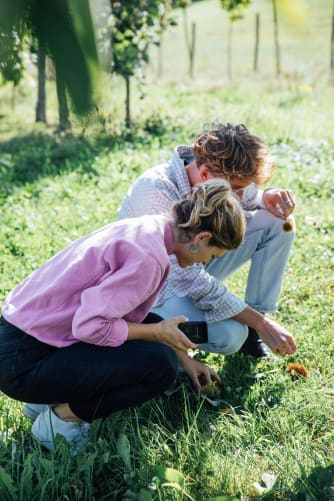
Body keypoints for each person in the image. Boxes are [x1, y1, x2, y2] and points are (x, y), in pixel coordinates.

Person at [0, 179, 248, 453]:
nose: (207, 262)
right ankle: (59, 421)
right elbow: (90, 326)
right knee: (160, 367)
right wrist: (157, 335)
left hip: (21, 340)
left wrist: (184, 359)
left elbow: (123, 317)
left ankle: (45, 400)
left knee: (154, 329)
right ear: (201, 239)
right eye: (213, 254)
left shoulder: (149, 228)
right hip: (22, 365)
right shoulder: (148, 257)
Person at [118, 122, 297, 359]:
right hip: (157, 290)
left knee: (279, 222)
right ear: (204, 174)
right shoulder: (157, 193)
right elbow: (184, 278)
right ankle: (159, 340)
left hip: (196, 261)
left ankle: (254, 332)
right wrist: (260, 321)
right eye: (237, 189)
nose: (242, 196)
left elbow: (252, 199)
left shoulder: (216, 180)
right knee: (230, 335)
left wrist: (267, 198)